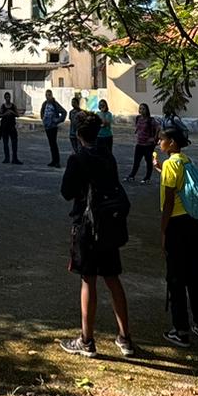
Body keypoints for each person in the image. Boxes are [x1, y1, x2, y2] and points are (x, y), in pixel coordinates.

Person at [58, 113, 136, 359]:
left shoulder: (78, 158)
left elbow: (66, 192)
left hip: (88, 224)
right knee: (113, 279)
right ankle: (125, 338)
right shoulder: (107, 155)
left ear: (78, 134)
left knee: (88, 279)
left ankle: (87, 339)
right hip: (110, 222)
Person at [158, 124, 198, 344]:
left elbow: (169, 200)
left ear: (172, 143)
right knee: (196, 276)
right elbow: (180, 186)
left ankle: (180, 330)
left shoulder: (171, 164)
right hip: (194, 222)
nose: (159, 142)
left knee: (177, 277)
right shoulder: (186, 161)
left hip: (177, 223)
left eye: (162, 139)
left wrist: (163, 229)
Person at [129, 103, 159, 183]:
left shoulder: (150, 120)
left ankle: (147, 178)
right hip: (139, 143)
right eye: (140, 108)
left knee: (148, 161)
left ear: (147, 110)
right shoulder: (138, 118)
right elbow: (138, 128)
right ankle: (132, 176)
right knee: (136, 161)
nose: (141, 110)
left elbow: (158, 127)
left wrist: (154, 138)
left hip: (148, 145)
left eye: (143, 109)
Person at [40, 89, 65, 167]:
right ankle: (53, 160)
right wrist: (43, 120)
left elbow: (63, 112)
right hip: (47, 126)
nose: (48, 97)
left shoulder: (55, 104)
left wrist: (58, 120)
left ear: (52, 95)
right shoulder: (44, 104)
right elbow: (42, 112)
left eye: (49, 95)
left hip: (53, 126)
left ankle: (57, 161)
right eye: (47, 95)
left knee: (54, 143)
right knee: (51, 144)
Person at [0, 92, 21, 164]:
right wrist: (6, 114)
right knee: (5, 143)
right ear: (5, 98)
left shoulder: (13, 106)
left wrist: (11, 112)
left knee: (14, 143)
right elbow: (0, 115)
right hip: (5, 127)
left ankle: (14, 158)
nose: (8, 99)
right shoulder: (3, 106)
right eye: (6, 97)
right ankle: (6, 158)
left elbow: (17, 114)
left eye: (9, 97)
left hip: (12, 127)